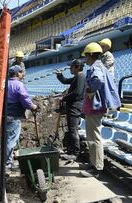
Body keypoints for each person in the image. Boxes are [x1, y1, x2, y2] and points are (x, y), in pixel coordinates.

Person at [80, 42, 121, 177]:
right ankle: (93, 163)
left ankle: (97, 167)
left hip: (94, 109)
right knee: (92, 137)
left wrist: (91, 91)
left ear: (91, 55)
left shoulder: (96, 67)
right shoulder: (98, 66)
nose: (85, 59)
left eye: (86, 56)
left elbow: (98, 80)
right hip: (94, 109)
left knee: (94, 137)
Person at [6, 65, 38, 169]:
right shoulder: (19, 85)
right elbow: (25, 100)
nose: (22, 74)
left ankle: (6, 160)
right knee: (11, 140)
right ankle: (7, 163)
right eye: (20, 72)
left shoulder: (4, 83)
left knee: (6, 138)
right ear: (16, 74)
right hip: (14, 115)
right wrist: (33, 106)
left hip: (4, 114)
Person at [54, 59, 85, 160]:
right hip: (74, 106)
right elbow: (65, 81)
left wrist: (64, 97)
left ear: (76, 67)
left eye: (71, 67)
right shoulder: (78, 76)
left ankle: (75, 153)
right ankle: (71, 150)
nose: (70, 68)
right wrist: (59, 75)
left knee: (73, 130)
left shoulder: (80, 76)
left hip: (75, 106)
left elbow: (77, 92)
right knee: (72, 129)